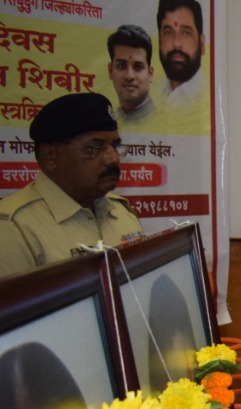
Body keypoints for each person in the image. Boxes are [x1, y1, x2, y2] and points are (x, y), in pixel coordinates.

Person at [0, 93, 144, 277]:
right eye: (94, 148)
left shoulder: (122, 211)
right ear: (50, 156)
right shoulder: (13, 227)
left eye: (115, 147)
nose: (112, 159)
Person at [155, 0, 206, 106]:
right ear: (159, 41)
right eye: (168, 32)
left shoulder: (208, 98)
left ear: (202, 44)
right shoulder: (152, 95)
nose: (176, 42)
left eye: (186, 33)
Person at [106, 24, 158, 123]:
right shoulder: (109, 124)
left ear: (150, 74)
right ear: (110, 70)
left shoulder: (162, 123)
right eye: (121, 66)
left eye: (138, 67)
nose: (129, 76)